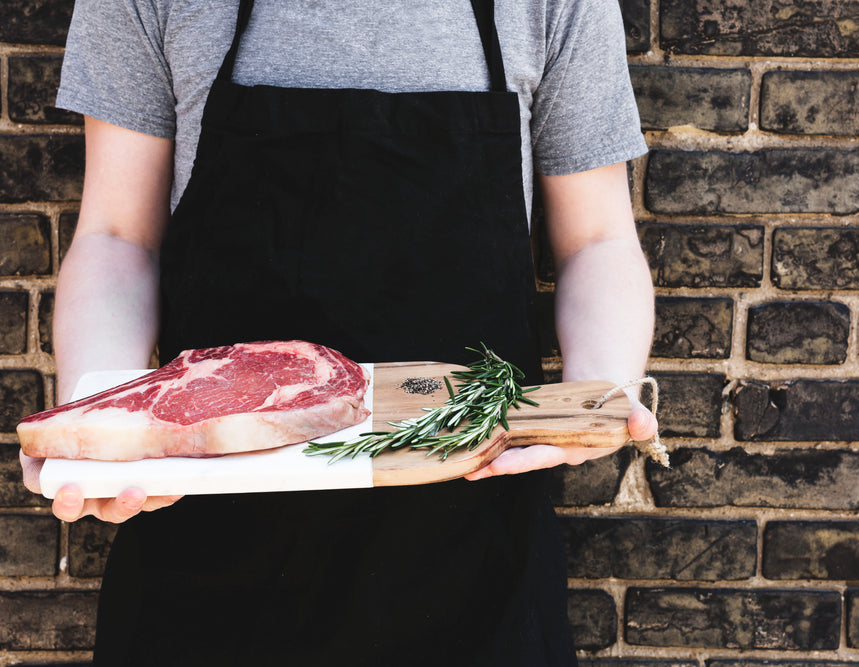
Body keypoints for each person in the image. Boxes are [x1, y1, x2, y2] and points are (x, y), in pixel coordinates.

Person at [20, 0, 657, 664]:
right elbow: (117, 236)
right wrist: (101, 424)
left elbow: (598, 239)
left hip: (478, 568)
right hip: (206, 566)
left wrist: (596, 394)